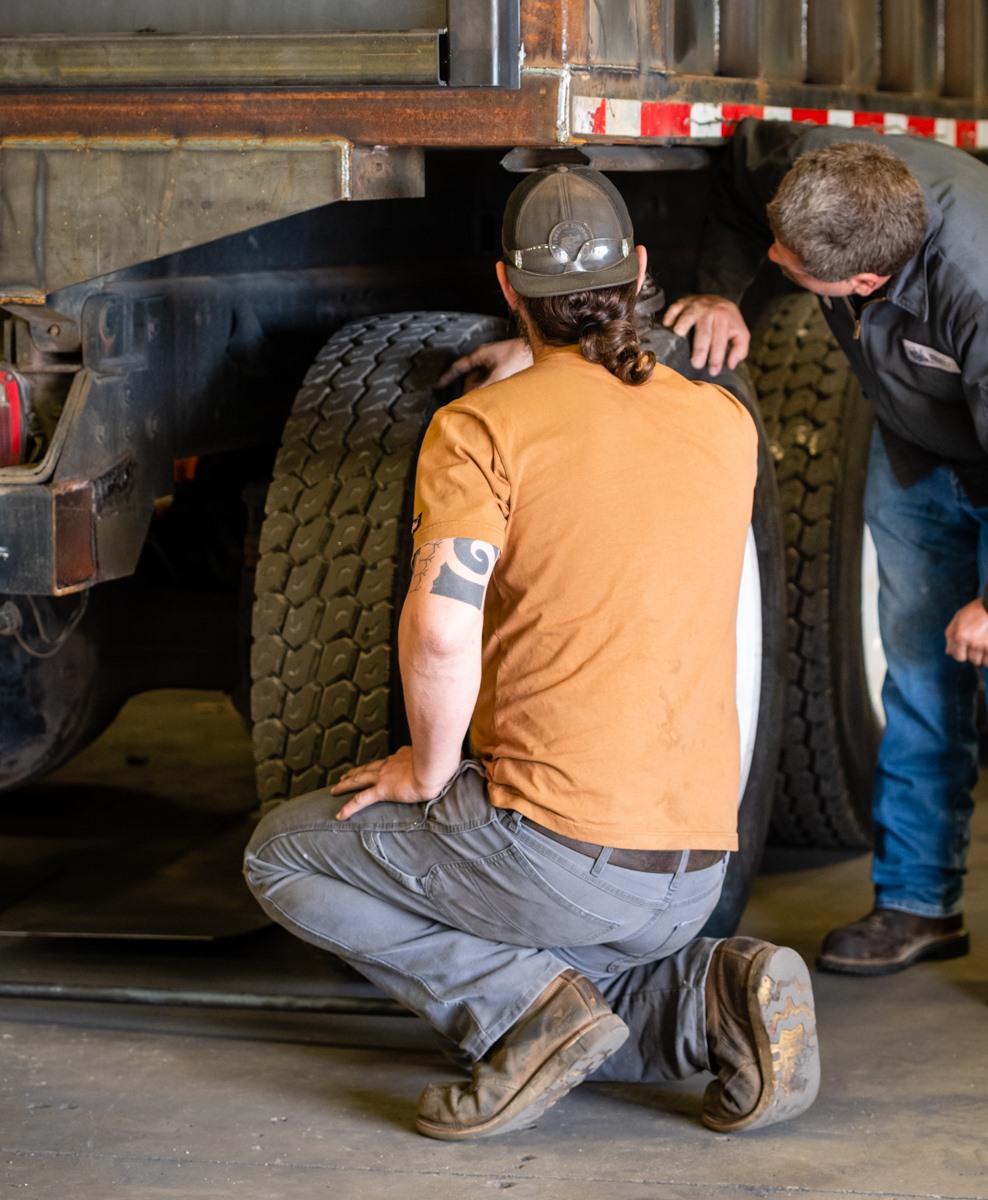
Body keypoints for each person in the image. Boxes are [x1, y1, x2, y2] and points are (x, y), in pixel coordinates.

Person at [243, 163, 820, 1139]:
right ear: (638, 271)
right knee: (564, 942)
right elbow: (615, 446)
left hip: (560, 861)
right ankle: (711, 996)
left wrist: (425, 770)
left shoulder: (480, 430)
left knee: (283, 855)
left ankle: (526, 1014)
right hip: (693, 873)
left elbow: (438, 625)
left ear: (508, 291)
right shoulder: (720, 421)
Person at [664, 119, 988, 1023]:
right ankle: (919, 903)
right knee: (914, 668)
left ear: (865, 281)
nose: (774, 259)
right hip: (919, 438)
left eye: (791, 268)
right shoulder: (808, 171)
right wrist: (720, 291)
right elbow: (734, 180)